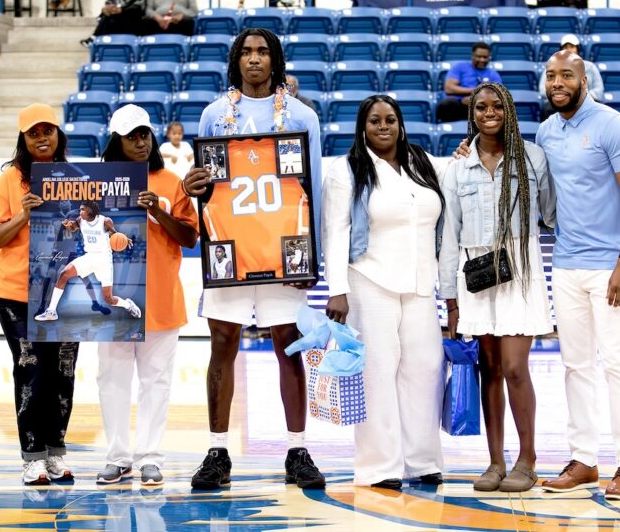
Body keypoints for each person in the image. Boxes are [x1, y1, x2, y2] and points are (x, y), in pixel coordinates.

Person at [182, 27, 326, 491]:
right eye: (246, 52)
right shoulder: (213, 116)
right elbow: (202, 186)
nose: (255, 59)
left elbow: (314, 187)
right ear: (236, 61)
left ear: (275, 59)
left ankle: (297, 449)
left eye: (263, 52)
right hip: (228, 245)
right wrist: (192, 187)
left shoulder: (303, 115)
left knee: (288, 345)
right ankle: (218, 451)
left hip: (285, 248)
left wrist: (312, 257)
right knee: (222, 343)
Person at [535, 51, 620, 500]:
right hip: (565, 263)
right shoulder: (547, 130)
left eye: (566, 75)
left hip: (610, 265)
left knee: (617, 362)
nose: (557, 82)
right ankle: (584, 459)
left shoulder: (613, 125)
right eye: (550, 76)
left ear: (585, 79)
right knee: (575, 365)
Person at [323, 94, 447, 491]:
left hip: (420, 283)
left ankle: (422, 460)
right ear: (363, 126)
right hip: (368, 280)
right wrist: (337, 289)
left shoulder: (421, 162)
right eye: (374, 120)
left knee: (426, 369)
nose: (383, 126)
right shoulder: (347, 170)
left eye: (390, 119)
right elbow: (336, 231)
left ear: (400, 123)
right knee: (377, 372)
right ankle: (380, 466)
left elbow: (452, 186)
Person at [438, 82, 556, 492]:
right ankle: (495, 462)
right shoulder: (458, 166)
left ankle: (528, 459)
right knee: (488, 369)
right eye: (481, 107)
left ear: (509, 110)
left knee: (513, 367)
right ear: (471, 114)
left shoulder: (533, 156)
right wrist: (449, 298)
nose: (489, 112)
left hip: (520, 271)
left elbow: (552, 213)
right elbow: (449, 235)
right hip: (476, 276)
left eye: (497, 106)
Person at [94, 104, 199, 486]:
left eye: (144, 134)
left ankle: (150, 456)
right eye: (130, 136)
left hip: (161, 297)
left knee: (157, 381)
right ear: (116, 141)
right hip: (113, 298)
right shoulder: (98, 181)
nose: (139, 141)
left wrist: (160, 213)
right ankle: (118, 456)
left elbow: (190, 237)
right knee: (112, 380)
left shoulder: (171, 182)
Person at [0, 103, 79, 485]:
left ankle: (56, 451)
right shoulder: (10, 180)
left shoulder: (75, 177)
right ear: (23, 139)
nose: (42, 138)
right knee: (31, 371)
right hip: (15, 294)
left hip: (63, 292)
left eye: (48, 130)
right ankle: (32, 456)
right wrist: (22, 215)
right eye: (34, 132)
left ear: (59, 134)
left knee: (63, 373)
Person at [34, 200, 141, 322]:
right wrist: (68, 225)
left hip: (104, 260)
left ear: (90, 211)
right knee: (64, 274)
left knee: (108, 299)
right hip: (89, 257)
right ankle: (51, 311)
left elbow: (115, 235)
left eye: (82, 209)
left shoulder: (105, 221)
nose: (80, 212)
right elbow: (74, 227)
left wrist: (125, 239)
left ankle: (128, 305)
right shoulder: (81, 220)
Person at [539, 34, 604, 119]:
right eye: (566, 47)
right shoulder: (551, 66)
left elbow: (599, 91)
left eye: (572, 47)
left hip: (585, 103)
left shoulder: (590, 67)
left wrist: (579, 98)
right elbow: (543, 90)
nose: (569, 50)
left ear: (577, 49)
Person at [436, 42, 503, 124]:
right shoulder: (460, 67)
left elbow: (496, 95)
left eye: (485, 57)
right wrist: (473, 92)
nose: (482, 60)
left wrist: (475, 100)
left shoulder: (493, 75)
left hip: (481, 106)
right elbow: (449, 88)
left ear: (489, 58)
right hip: (459, 104)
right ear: (472, 56)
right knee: (447, 103)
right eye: (479, 56)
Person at [80, 0, 145, 47]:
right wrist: (106, 8)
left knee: (108, 18)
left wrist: (121, 10)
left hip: (133, 21)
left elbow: (139, 8)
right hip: (117, 19)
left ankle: (94, 38)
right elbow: (109, 2)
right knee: (107, 17)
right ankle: (96, 39)